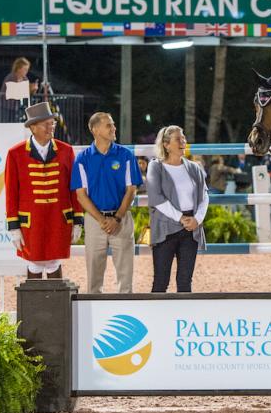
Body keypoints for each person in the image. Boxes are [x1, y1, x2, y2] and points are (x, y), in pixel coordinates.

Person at [5, 102, 83, 279]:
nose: (51, 127)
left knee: (54, 262)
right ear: (33, 127)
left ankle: (57, 305)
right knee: (34, 263)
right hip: (32, 222)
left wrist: (78, 220)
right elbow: (11, 193)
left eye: (52, 123)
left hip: (58, 218)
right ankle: (34, 306)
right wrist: (13, 227)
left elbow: (74, 188)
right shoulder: (15, 153)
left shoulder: (66, 151)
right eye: (46, 124)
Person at [71, 112, 142, 293]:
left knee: (125, 278)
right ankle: (94, 314)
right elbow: (81, 195)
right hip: (95, 222)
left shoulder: (125, 155)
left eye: (113, 124)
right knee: (94, 277)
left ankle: (125, 309)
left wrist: (116, 218)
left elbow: (132, 190)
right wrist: (103, 220)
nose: (114, 128)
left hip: (121, 219)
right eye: (109, 125)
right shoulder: (83, 158)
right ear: (95, 130)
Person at [147, 126, 209, 293]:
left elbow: (204, 196)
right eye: (178, 139)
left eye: (183, 138)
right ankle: (157, 317)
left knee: (185, 281)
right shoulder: (155, 167)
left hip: (191, 228)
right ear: (166, 145)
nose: (183, 141)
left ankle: (183, 318)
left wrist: (197, 219)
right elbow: (156, 198)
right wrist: (181, 218)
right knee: (161, 281)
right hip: (165, 227)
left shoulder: (194, 167)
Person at [0, 57, 39, 122]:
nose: (26, 71)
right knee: (6, 124)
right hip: (6, 106)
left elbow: (28, 94)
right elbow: (12, 92)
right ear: (19, 68)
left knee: (15, 125)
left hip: (17, 108)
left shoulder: (25, 79)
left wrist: (34, 89)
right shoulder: (10, 77)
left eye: (27, 69)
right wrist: (28, 88)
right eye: (25, 69)